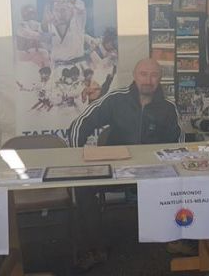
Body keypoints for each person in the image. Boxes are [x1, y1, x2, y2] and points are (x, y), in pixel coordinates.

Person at [69, 58, 187, 272]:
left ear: (160, 79)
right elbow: (79, 124)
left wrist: (173, 169)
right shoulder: (116, 99)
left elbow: (178, 144)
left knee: (183, 181)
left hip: (153, 173)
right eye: (143, 74)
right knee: (83, 186)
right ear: (134, 75)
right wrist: (77, 158)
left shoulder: (168, 108)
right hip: (116, 170)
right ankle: (94, 247)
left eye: (154, 75)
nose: (148, 80)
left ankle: (175, 237)